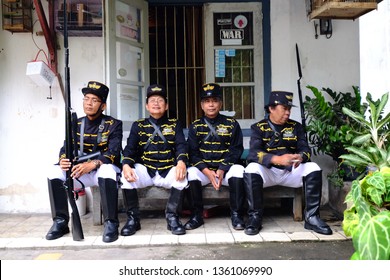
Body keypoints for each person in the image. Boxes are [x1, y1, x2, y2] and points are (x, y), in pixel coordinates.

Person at [244, 91, 332, 236]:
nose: (287, 112)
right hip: (269, 173)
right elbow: (253, 154)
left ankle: (312, 217)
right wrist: (276, 159)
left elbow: (306, 150)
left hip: (291, 171)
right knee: (251, 168)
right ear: (271, 109)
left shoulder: (296, 127)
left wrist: (300, 157)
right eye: (284, 108)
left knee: (313, 167)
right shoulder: (258, 128)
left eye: (289, 109)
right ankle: (255, 218)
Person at [46, 81, 123, 243]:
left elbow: (113, 152)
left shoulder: (114, 124)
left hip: (100, 172)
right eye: (86, 98)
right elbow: (65, 147)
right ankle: (60, 221)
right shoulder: (76, 123)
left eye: (94, 100)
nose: (89, 103)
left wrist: (93, 164)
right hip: (80, 173)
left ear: (103, 106)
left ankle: (111, 223)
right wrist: (63, 160)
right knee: (53, 172)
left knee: (108, 170)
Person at [121, 84, 188, 236]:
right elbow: (130, 148)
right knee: (126, 179)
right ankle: (133, 220)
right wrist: (126, 165)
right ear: (146, 105)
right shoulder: (138, 125)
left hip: (166, 169)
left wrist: (181, 162)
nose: (156, 103)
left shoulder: (174, 124)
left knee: (182, 177)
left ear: (166, 105)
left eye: (160, 100)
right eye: (152, 100)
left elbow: (181, 145)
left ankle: (172, 218)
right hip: (146, 170)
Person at [185, 83, 245, 230]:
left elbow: (236, 149)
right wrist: (206, 171)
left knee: (238, 170)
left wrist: (222, 169)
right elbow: (193, 153)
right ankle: (196, 215)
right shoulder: (195, 126)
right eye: (207, 101)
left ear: (220, 103)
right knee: (192, 172)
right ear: (201, 105)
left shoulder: (231, 124)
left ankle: (236, 215)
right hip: (205, 172)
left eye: (214, 101)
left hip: (225, 171)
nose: (211, 105)